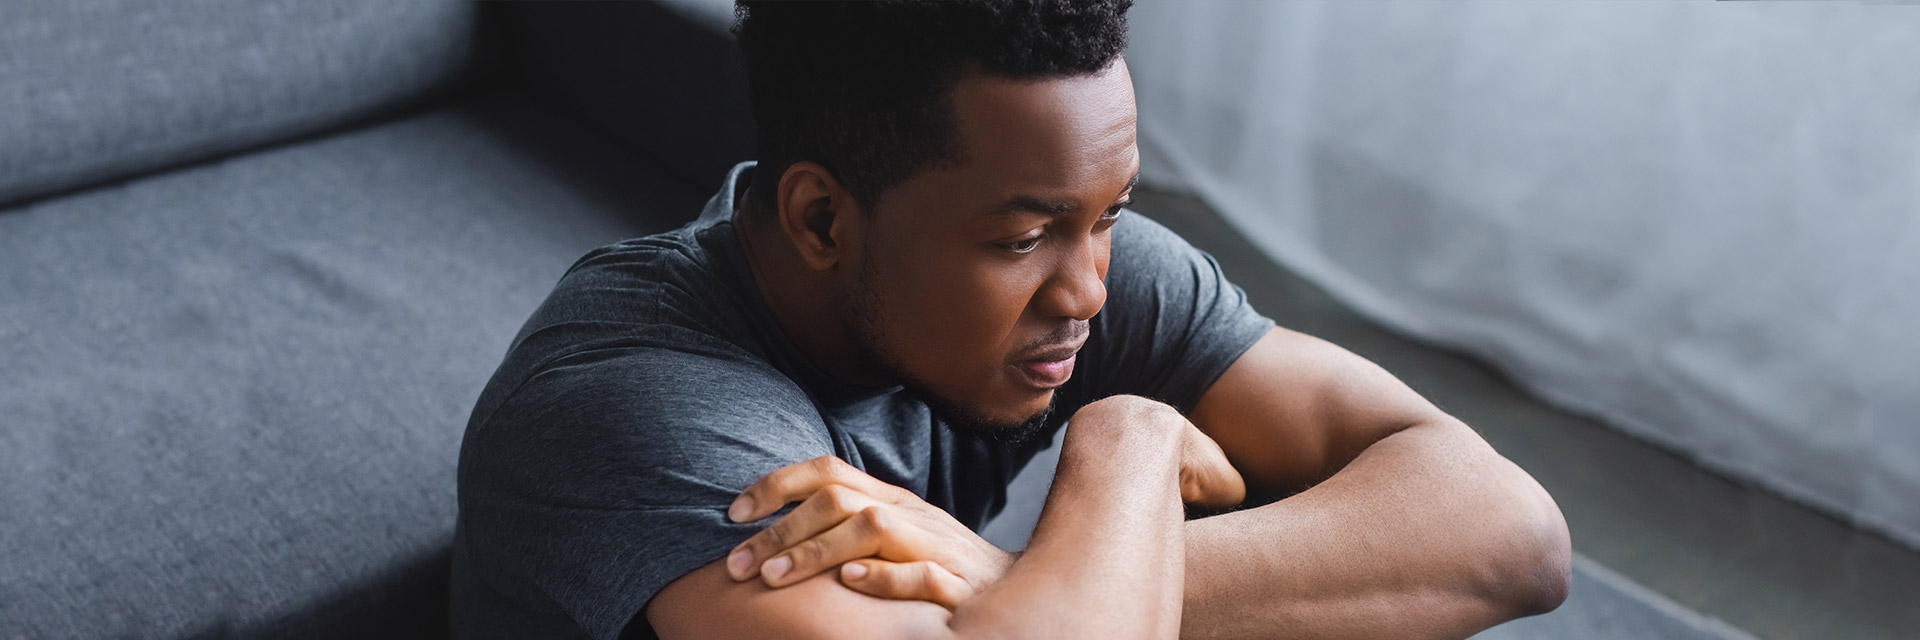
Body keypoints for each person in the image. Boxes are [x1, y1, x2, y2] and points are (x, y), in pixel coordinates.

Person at [449, 1, 1571, 638]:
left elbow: (1513, 534)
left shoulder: (1076, 261)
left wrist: (1006, 583)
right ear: (823, 219)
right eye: (1022, 238)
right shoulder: (637, 413)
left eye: (1113, 214)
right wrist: (1123, 446)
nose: (1087, 288)